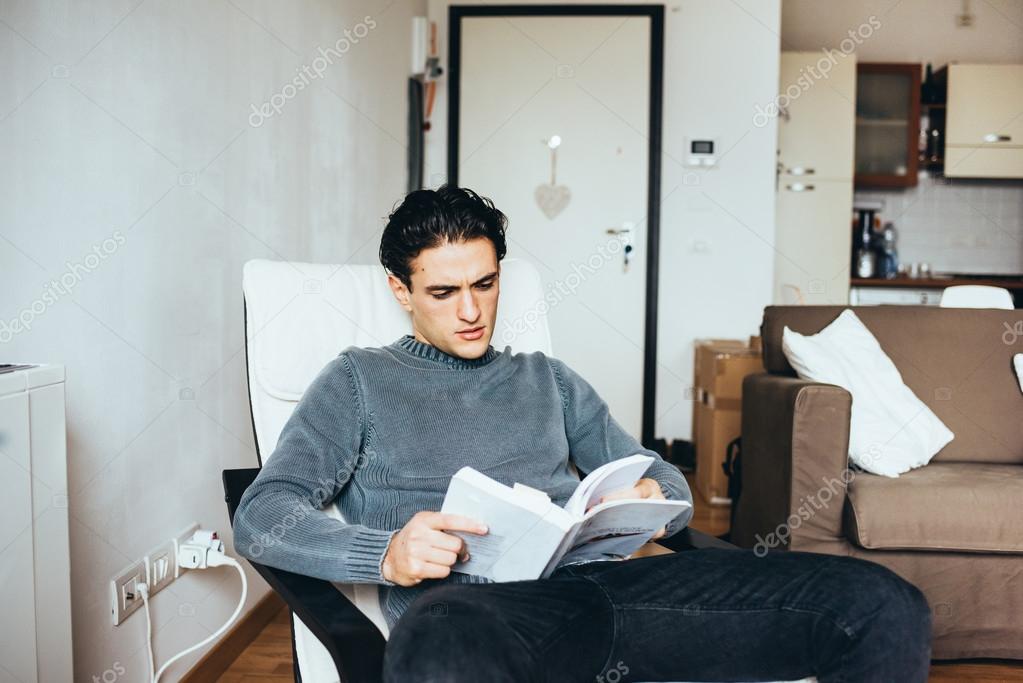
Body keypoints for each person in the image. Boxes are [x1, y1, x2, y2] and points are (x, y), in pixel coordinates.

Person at [233, 185, 932, 682]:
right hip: (481, 613)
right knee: (440, 647)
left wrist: (650, 495)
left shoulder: (548, 379)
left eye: (485, 284)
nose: (472, 311)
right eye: (444, 293)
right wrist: (386, 553)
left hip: (620, 592)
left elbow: (665, 479)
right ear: (400, 291)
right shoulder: (358, 380)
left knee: (879, 603)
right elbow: (263, 515)